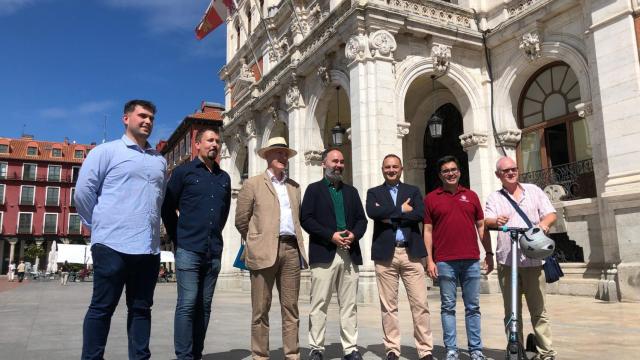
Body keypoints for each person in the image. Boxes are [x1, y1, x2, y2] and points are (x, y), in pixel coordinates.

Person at [75, 99, 167, 360]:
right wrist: (97, 226)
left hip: (148, 248)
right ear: (126, 119)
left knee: (141, 309)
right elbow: (83, 192)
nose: (148, 121)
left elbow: (158, 200)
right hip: (111, 245)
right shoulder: (106, 152)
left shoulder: (159, 161)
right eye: (142, 116)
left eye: (151, 117)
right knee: (102, 308)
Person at [235, 136, 308, 360]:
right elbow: (241, 220)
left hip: (291, 249)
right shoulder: (252, 184)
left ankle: (292, 354)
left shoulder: (294, 187)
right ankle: (260, 355)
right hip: (263, 251)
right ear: (267, 155)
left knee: (291, 308)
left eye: (285, 153)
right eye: (278, 152)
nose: (283, 157)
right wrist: (257, 240)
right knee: (260, 309)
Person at [161, 127, 231, 360]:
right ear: (198, 145)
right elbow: (167, 207)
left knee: (205, 306)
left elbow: (223, 213)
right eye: (209, 140)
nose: (214, 144)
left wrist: (213, 234)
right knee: (188, 303)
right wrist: (178, 237)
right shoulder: (183, 172)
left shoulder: (224, 178)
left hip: (213, 251)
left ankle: (197, 354)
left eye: (217, 141)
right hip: (188, 249)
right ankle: (184, 356)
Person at [484, 156, 557, 360]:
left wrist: (544, 224)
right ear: (498, 175)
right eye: (505, 171)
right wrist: (495, 220)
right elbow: (487, 220)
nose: (510, 173)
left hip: (534, 260)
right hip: (508, 262)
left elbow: (551, 213)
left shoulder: (533, 191)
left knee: (538, 310)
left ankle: (547, 352)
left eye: (513, 169)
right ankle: (516, 350)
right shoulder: (495, 197)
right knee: (512, 311)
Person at [365, 154, 434, 360]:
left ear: (401, 169)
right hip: (386, 255)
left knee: (420, 304)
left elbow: (419, 214)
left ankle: (425, 349)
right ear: (382, 169)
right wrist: (402, 210)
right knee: (388, 306)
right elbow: (372, 213)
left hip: (411, 253)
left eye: (395, 166)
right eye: (387, 167)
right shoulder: (374, 192)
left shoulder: (412, 191)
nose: (391, 170)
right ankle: (392, 349)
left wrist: (390, 214)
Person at [301, 148, 368, 360]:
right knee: (319, 303)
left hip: (349, 253)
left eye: (341, 161)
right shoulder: (313, 190)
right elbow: (306, 219)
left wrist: (354, 235)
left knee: (349, 305)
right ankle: (316, 348)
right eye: (334, 161)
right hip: (324, 253)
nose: (338, 165)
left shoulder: (352, 192)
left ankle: (350, 348)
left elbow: (362, 220)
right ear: (324, 164)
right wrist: (331, 235)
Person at [423, 155, 491, 360]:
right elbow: (427, 230)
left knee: (473, 307)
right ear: (440, 175)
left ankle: (476, 349)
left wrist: (489, 253)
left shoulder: (471, 195)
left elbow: (481, 226)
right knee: (447, 307)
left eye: (453, 170)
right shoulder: (431, 198)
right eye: (446, 171)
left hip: (471, 259)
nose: (450, 173)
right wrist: (430, 260)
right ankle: (451, 349)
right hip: (444, 261)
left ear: (459, 172)